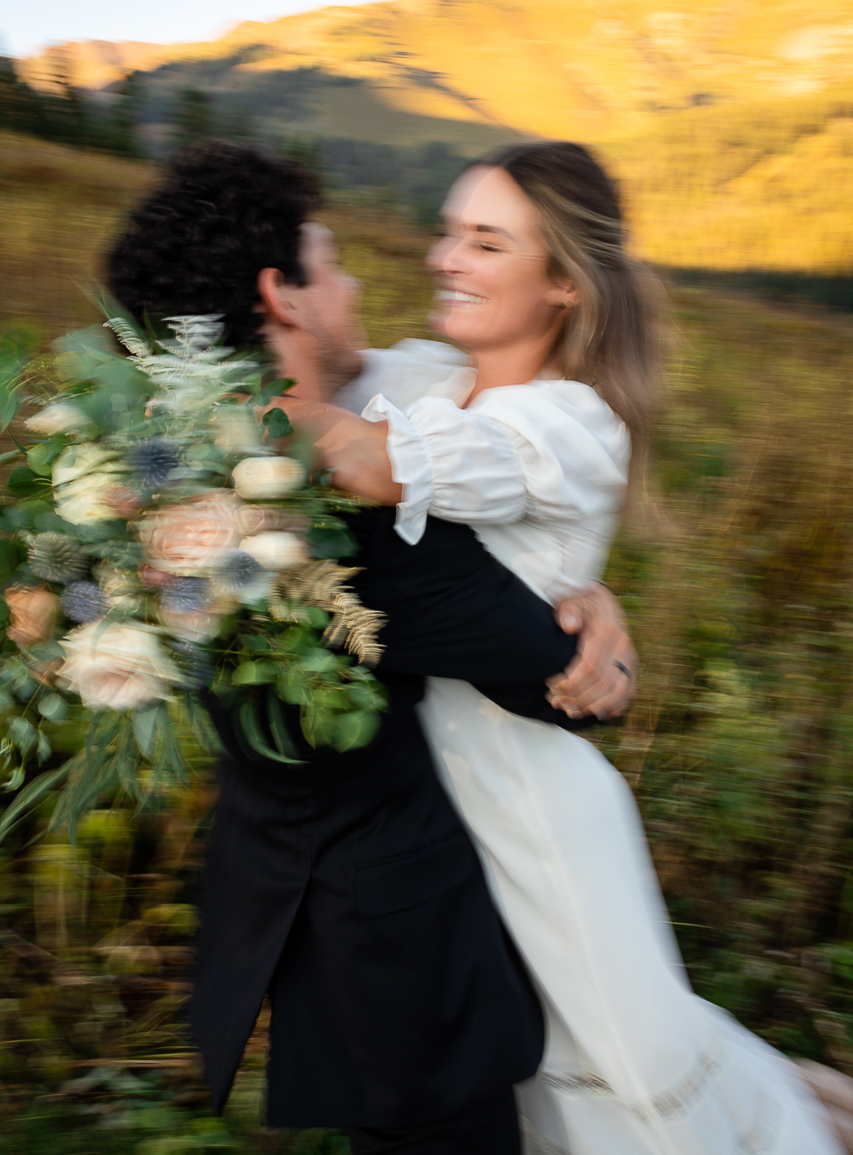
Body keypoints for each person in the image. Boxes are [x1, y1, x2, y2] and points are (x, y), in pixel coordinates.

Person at [271, 143, 845, 1154]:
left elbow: (368, 463)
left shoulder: (571, 423)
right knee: (519, 1087)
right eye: (448, 229)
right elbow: (333, 373)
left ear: (563, 283)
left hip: (525, 810)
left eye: (485, 241)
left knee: (620, 1089)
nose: (444, 257)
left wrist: (246, 420)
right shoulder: (428, 371)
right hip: (426, 810)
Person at [106, 141, 636, 1155]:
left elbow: (420, 444)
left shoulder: (172, 489)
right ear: (284, 296)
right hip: (404, 954)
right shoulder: (339, 523)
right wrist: (596, 640)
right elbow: (551, 679)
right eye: (336, 260)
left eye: (482, 239)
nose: (388, 274)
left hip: (333, 905)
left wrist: (585, 582)